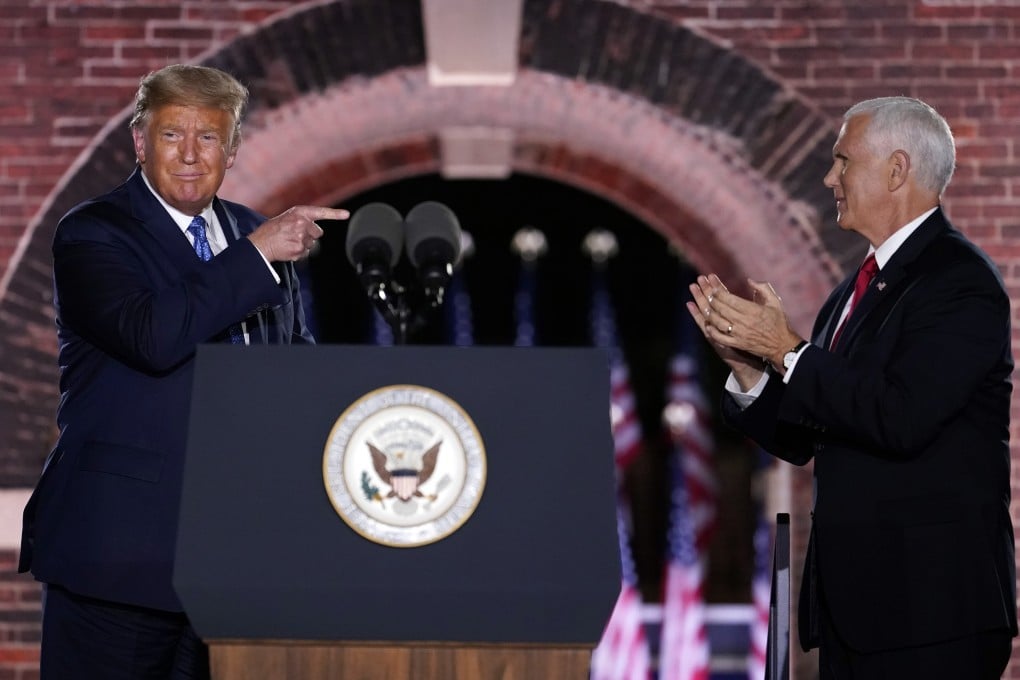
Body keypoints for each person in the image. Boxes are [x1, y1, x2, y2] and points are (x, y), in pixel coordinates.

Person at [18, 64, 348, 679]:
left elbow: (291, 365)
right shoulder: (94, 232)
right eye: (173, 136)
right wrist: (255, 257)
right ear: (140, 142)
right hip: (117, 561)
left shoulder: (253, 231)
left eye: (210, 137)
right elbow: (152, 335)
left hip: (234, 561)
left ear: (232, 147)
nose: (191, 155)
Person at [687, 96, 1016, 678]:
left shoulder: (960, 284)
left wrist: (788, 349)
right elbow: (810, 434)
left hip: (931, 617)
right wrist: (748, 367)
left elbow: (901, 417)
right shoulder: (852, 293)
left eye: (842, 161)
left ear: (896, 170)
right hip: (855, 612)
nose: (829, 177)